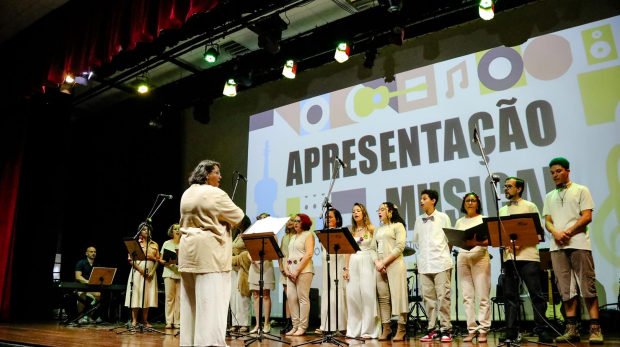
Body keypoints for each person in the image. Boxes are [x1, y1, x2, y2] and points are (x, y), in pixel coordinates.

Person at [179, 159, 245, 347]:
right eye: (217, 172)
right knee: (211, 302)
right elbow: (240, 218)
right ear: (207, 174)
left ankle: (190, 342)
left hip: (188, 252)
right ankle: (209, 343)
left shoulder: (187, 193)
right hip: (210, 254)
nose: (220, 176)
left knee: (190, 302)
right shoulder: (215, 193)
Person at [543, 158, 603, 344]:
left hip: (578, 244)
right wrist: (555, 232)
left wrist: (567, 232)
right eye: (552, 172)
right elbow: (548, 221)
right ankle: (571, 329)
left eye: (558, 171)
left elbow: (587, 216)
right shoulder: (549, 196)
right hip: (557, 247)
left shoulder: (581, 189)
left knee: (587, 286)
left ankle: (595, 329)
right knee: (566, 289)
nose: (555, 175)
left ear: (567, 171)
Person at [498, 177, 553, 343]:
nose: (505, 189)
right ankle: (511, 331)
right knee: (510, 296)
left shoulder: (529, 206)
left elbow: (538, 233)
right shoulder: (502, 210)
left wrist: (520, 243)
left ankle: (542, 329)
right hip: (509, 258)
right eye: (505, 186)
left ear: (519, 189)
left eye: (509, 186)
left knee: (536, 294)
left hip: (528, 256)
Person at [412, 189, 453, 342]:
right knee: (428, 298)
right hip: (424, 264)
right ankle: (431, 329)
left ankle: (446, 330)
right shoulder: (418, 220)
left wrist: (444, 257)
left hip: (441, 262)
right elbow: (417, 241)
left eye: (424, 198)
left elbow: (450, 240)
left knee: (443, 297)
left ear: (433, 200)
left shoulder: (443, 217)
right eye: (421, 199)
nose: (421, 201)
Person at [369, 202, 408, 341]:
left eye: (382, 209)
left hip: (395, 265)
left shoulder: (398, 226)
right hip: (380, 267)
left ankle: (401, 329)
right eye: (378, 210)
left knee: (399, 297)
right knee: (383, 298)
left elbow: (399, 247)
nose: (379, 212)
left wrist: (384, 262)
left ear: (390, 211)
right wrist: (377, 263)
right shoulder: (378, 229)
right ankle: (386, 329)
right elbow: (372, 248)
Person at [455, 192, 491, 343]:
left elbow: (490, 240)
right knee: (467, 297)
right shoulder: (459, 221)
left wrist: (474, 243)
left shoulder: (483, 219)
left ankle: (483, 330)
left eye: (473, 201)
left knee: (482, 295)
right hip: (462, 257)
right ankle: (472, 329)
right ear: (464, 204)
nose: (470, 203)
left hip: (479, 257)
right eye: (467, 201)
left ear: (478, 203)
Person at [344, 203, 381, 339]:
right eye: (353, 211)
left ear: (364, 213)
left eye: (358, 211)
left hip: (367, 262)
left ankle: (369, 330)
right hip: (353, 263)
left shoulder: (371, 229)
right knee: (352, 296)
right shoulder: (351, 231)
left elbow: (377, 248)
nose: (355, 213)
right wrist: (345, 268)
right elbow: (347, 251)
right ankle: (354, 330)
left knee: (367, 295)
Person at [284, 213, 315, 336]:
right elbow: (288, 255)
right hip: (291, 270)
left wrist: (297, 270)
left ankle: (302, 326)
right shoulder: (292, 238)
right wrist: (286, 269)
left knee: (302, 298)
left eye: (298, 221)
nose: (295, 223)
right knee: (291, 298)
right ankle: (295, 325)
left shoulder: (308, 235)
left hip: (304, 270)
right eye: (294, 221)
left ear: (305, 223)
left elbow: (309, 254)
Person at [317, 207, 347, 334]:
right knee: (328, 291)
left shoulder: (341, 232)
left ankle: (341, 325)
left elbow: (346, 251)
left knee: (338, 290)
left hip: (338, 264)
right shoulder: (323, 233)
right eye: (326, 217)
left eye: (331, 217)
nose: (327, 219)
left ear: (338, 219)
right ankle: (327, 325)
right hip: (327, 265)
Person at [125, 222, 159, 327]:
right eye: (144, 229)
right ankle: (134, 320)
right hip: (138, 271)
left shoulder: (154, 244)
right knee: (136, 294)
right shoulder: (136, 243)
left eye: (148, 229)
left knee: (147, 295)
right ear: (140, 231)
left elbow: (158, 260)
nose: (147, 231)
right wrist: (141, 270)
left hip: (150, 271)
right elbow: (130, 260)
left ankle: (144, 320)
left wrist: (152, 271)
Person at [248, 212, 277, 333]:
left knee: (265, 295)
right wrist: (252, 259)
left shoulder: (272, 235)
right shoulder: (253, 233)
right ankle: (257, 324)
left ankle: (266, 324)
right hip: (254, 266)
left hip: (266, 265)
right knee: (255, 295)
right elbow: (249, 249)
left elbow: (275, 251)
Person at [230, 215, 252, 333]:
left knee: (242, 295)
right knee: (233, 296)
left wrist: (236, 257)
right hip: (233, 266)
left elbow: (249, 252)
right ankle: (235, 322)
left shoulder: (248, 235)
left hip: (243, 267)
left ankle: (244, 323)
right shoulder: (236, 235)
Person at [158, 223, 181, 329]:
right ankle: (168, 321)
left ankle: (177, 321)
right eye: (175, 229)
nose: (177, 230)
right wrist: (168, 261)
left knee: (179, 298)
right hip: (168, 272)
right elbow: (161, 259)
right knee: (169, 298)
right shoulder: (167, 243)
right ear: (172, 231)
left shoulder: (185, 243)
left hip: (180, 273)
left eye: (179, 229)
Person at [278, 215, 296, 334]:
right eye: (288, 220)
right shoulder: (284, 237)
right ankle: (288, 323)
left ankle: (296, 323)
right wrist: (281, 267)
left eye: (293, 220)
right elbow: (280, 254)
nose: (290, 222)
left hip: (295, 269)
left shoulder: (299, 236)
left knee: (296, 297)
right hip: (285, 270)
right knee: (288, 297)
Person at [75, 246, 101, 323]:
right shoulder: (81, 263)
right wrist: (87, 282)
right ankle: (80, 317)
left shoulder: (97, 265)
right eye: (91, 252)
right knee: (82, 293)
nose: (93, 253)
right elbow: (78, 276)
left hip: (91, 289)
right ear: (86, 253)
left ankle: (89, 316)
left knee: (98, 295)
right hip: (80, 287)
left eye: (95, 252)